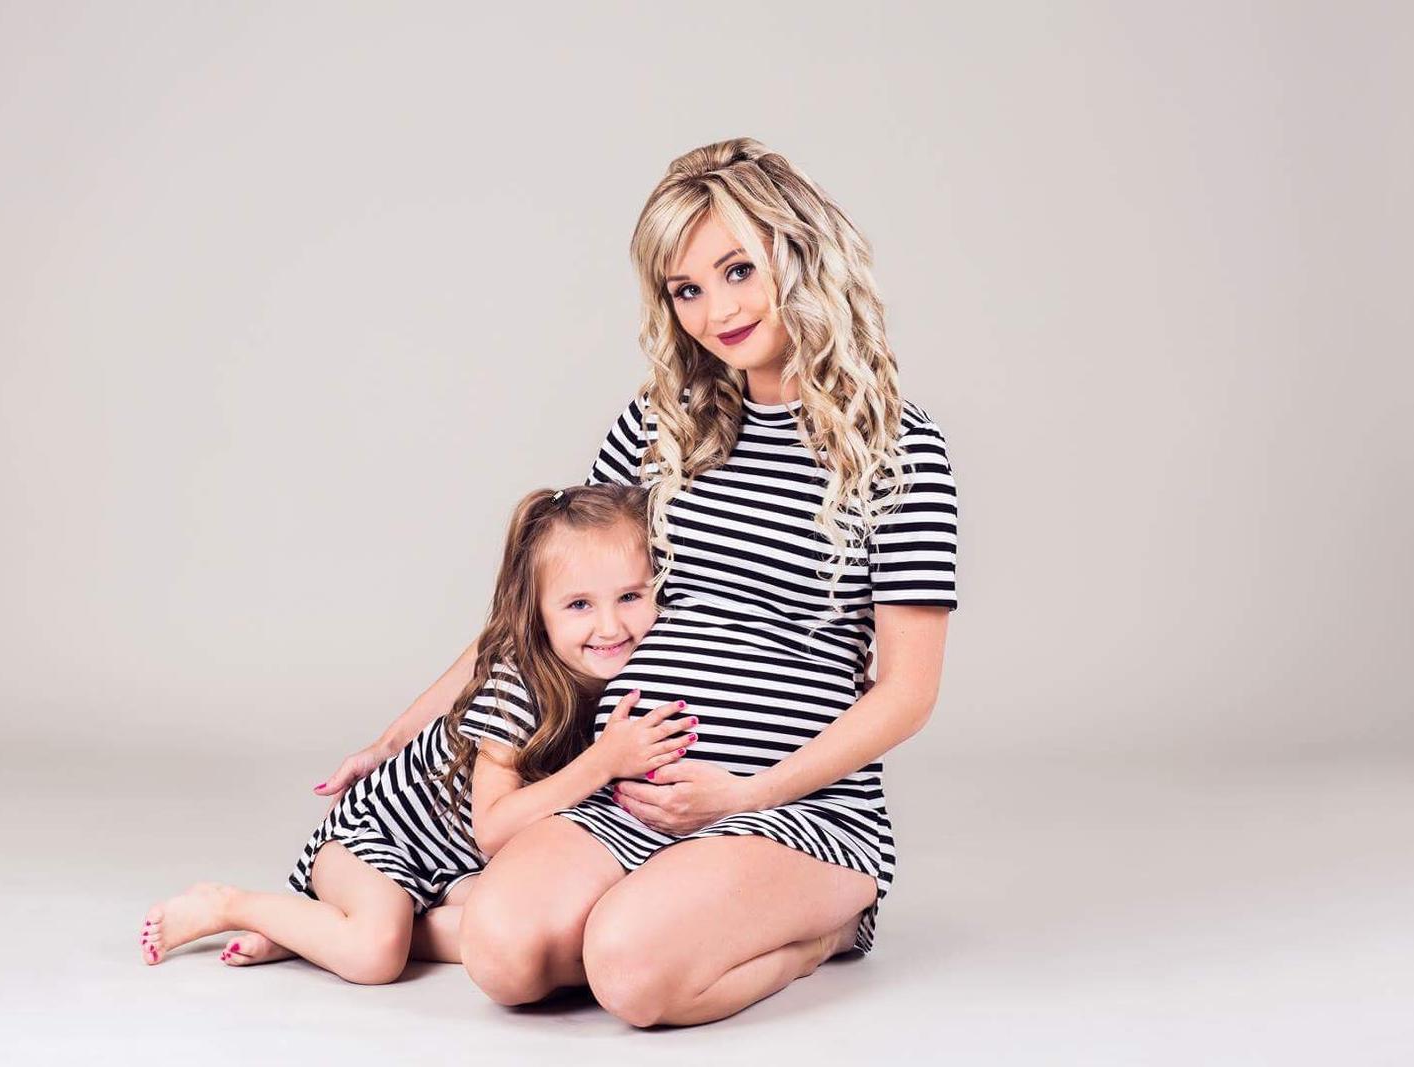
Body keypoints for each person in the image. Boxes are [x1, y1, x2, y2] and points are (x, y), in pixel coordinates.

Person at [451, 137, 961, 1026]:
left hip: (794, 806)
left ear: (800, 256)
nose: (716, 310)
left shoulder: (898, 450)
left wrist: (747, 793)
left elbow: (908, 692)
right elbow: (551, 606)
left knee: (629, 971)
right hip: (630, 795)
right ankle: (669, 911)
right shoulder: (660, 426)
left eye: (737, 271)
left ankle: (826, 926)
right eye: (685, 289)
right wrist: (400, 729)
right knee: (499, 954)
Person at [138, 483, 698, 984]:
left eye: (630, 597)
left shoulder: (642, 668)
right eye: (579, 605)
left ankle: (312, 932)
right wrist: (603, 762)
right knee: (374, 955)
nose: (610, 626)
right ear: (537, 614)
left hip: (457, 870)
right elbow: (493, 829)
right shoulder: (517, 687)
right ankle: (231, 904)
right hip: (380, 838)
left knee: (532, 932)